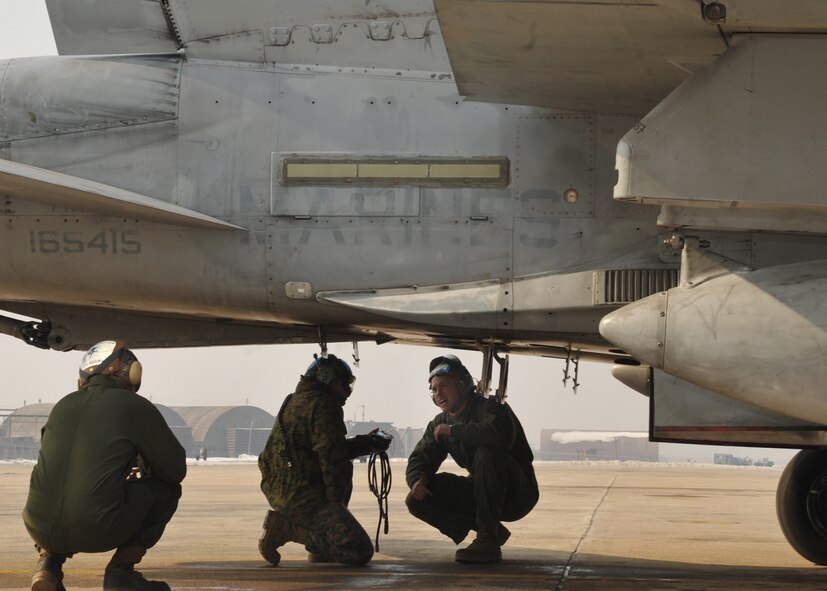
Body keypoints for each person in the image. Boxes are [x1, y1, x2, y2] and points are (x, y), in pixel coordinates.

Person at [23, 340, 187, 591]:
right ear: (131, 372)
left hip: (39, 527)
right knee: (167, 490)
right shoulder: (135, 406)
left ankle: (47, 567)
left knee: (57, 490)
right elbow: (174, 469)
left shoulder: (62, 406)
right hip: (97, 529)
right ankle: (121, 573)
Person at [258, 354, 390, 566]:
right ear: (327, 379)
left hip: (281, 489)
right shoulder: (325, 405)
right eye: (344, 384)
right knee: (358, 551)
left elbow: (324, 446)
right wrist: (335, 507)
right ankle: (288, 530)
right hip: (301, 495)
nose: (347, 392)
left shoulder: (296, 400)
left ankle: (319, 546)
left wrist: (364, 444)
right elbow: (331, 458)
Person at [405, 354, 539, 563]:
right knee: (416, 500)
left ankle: (487, 542)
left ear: (462, 385)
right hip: (484, 493)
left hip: (517, 494)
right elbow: (420, 459)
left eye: (444, 386)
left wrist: (454, 431)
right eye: (434, 389)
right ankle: (489, 530)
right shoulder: (440, 423)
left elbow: (501, 436)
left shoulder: (492, 407)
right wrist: (416, 481)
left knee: (488, 454)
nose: (438, 394)